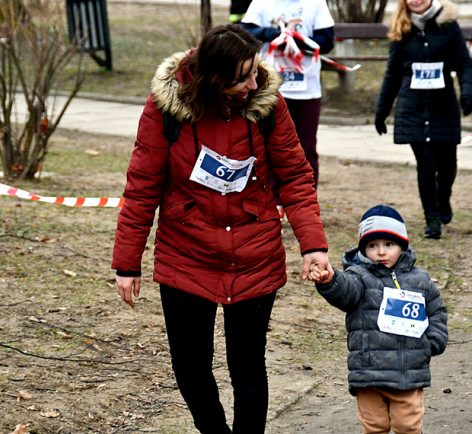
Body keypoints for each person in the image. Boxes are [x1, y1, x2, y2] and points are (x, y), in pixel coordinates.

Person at [112, 25, 332, 434]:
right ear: (214, 80)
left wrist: (313, 246)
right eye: (242, 77)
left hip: (254, 253)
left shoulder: (267, 104)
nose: (255, 82)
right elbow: (141, 187)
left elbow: (296, 178)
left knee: (248, 370)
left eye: (254, 71)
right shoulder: (166, 110)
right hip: (185, 254)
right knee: (190, 368)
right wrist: (128, 263)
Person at [309, 205, 448, 434]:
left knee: (408, 426)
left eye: (389, 245)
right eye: (373, 246)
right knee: (375, 427)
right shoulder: (358, 277)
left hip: (408, 372)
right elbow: (345, 291)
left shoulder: (420, 279)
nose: (381, 252)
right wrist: (330, 280)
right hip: (368, 372)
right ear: (363, 249)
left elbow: (437, 312)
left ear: (402, 245)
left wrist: (432, 341)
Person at [374, 0, 472, 239]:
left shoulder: (448, 25)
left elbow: (463, 63)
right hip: (413, 108)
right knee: (427, 164)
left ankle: (443, 199)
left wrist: (468, 92)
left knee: (448, 164)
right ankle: (432, 219)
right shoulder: (402, 27)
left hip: (444, 106)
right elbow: (393, 73)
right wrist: (382, 111)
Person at [241, 0, 335, 202]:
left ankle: (304, 201)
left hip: (306, 91)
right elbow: (244, 31)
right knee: (267, 148)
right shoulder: (262, 3)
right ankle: (272, 203)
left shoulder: (316, 3)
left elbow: (326, 41)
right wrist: (274, 34)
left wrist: (295, 39)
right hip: (269, 90)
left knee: (305, 150)